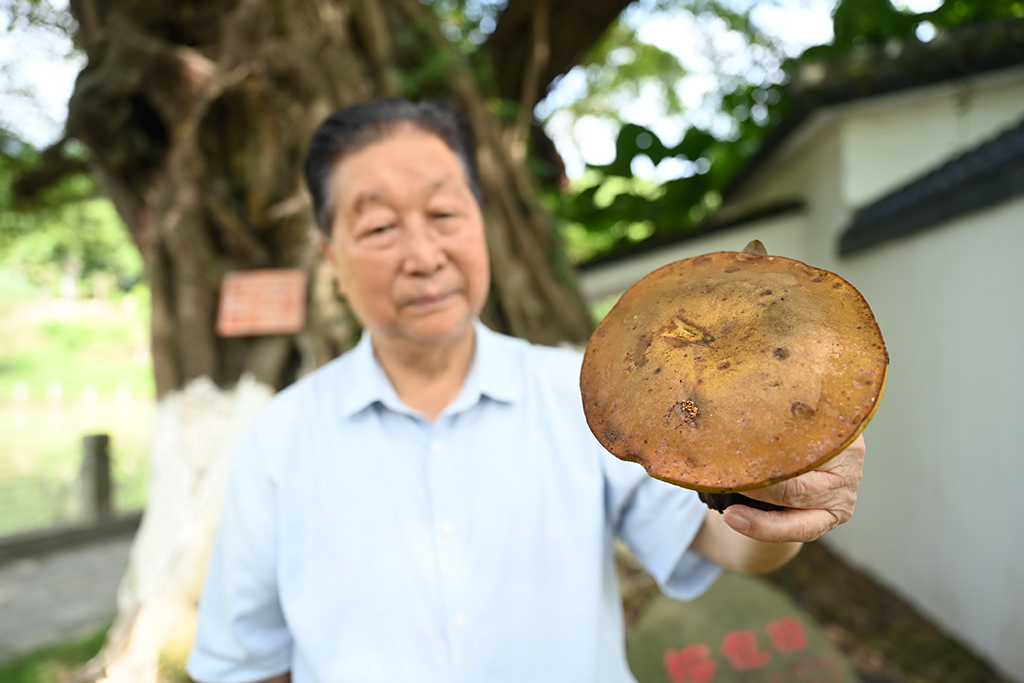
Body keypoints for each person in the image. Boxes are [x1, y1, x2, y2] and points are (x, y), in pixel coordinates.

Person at [186, 98, 865, 683]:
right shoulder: (279, 441)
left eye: (444, 213)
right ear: (331, 258)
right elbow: (244, 664)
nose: (423, 255)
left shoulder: (587, 395)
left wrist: (786, 486)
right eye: (379, 227)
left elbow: (730, 542)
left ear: (484, 222)